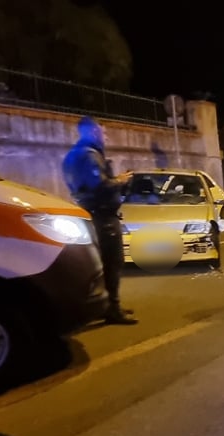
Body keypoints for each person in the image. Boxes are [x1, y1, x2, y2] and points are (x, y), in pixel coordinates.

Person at [62, 116, 137, 325]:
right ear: (94, 132)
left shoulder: (72, 155)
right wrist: (120, 180)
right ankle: (112, 308)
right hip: (103, 217)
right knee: (112, 263)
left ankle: (106, 305)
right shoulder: (89, 155)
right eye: (103, 132)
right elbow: (100, 185)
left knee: (101, 263)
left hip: (90, 213)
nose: (105, 137)